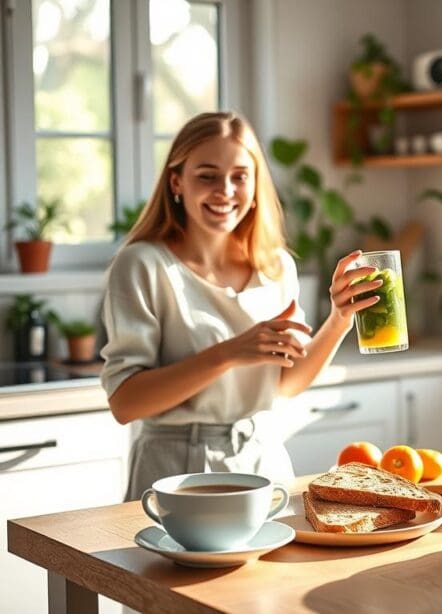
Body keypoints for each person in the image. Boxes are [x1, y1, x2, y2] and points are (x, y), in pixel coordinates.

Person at [100, 111, 382, 500]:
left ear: (255, 186)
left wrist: (339, 319)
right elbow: (126, 403)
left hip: (263, 459)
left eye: (239, 176)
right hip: (175, 467)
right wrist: (229, 353)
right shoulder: (142, 265)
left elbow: (287, 383)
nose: (225, 191)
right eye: (207, 175)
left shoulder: (274, 264)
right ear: (176, 182)